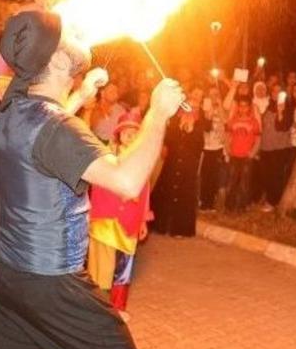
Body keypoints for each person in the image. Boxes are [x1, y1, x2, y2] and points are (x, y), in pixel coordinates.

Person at [0, 9, 185, 349]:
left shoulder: (8, 111)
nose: (77, 31)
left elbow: (40, 135)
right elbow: (126, 180)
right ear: (55, 59)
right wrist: (158, 113)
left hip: (10, 279)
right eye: (65, 35)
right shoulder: (58, 128)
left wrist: (81, 95)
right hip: (53, 287)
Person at [87, 112, 154, 321]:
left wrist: (143, 220)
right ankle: (97, 309)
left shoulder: (141, 162)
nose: (131, 136)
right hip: (105, 219)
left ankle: (117, 308)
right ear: (119, 134)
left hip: (130, 222)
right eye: (127, 132)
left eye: (136, 133)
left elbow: (145, 191)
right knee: (101, 268)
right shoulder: (106, 156)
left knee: (123, 268)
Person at [151, 88, 207, 237]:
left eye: (195, 108)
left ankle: (180, 229)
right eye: (189, 107)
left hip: (188, 166)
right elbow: (168, 141)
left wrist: (191, 129)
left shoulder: (199, 125)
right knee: (166, 191)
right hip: (173, 162)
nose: (192, 110)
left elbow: (199, 146)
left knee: (184, 196)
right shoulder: (175, 121)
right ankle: (161, 225)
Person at [225, 96, 260, 212]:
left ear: (249, 107)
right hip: (234, 155)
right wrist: (227, 148)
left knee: (244, 182)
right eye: (240, 106)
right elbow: (227, 135)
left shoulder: (254, 122)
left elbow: (258, 139)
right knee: (231, 181)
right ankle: (229, 206)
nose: (243, 108)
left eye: (245, 106)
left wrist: (253, 152)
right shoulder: (233, 120)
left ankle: (242, 206)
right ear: (238, 107)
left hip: (247, 156)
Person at [199, 85, 226, 212]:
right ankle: (204, 202)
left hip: (218, 147)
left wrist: (219, 105)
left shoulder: (221, 107)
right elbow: (205, 124)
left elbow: (225, 120)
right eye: (211, 94)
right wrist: (208, 109)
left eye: (216, 94)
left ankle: (210, 203)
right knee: (205, 175)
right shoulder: (204, 108)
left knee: (214, 176)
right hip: (205, 147)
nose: (213, 96)